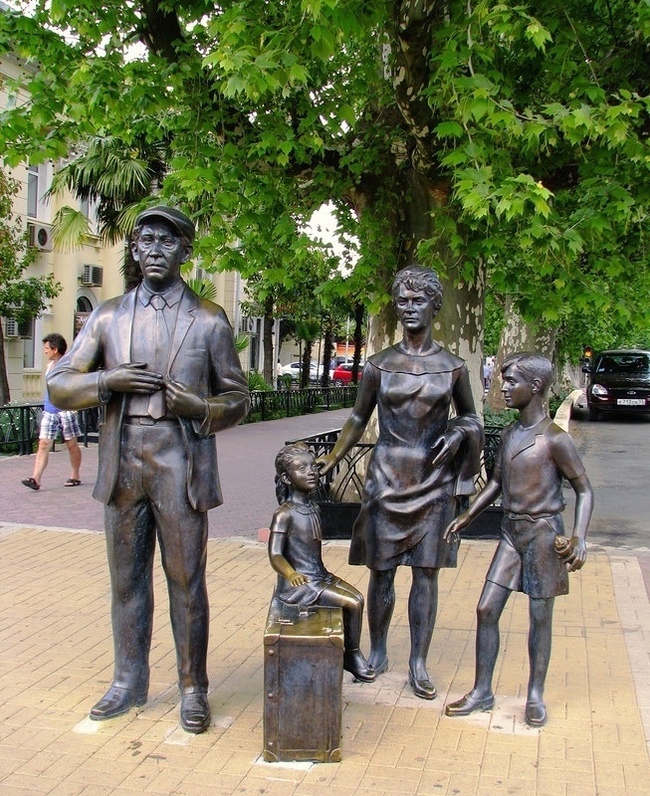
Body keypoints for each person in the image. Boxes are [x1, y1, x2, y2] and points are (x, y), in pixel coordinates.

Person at [47, 206, 250, 733]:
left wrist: (200, 408)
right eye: (146, 241)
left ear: (186, 250)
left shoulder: (209, 319)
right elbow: (59, 386)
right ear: (135, 250)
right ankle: (128, 680)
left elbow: (239, 398)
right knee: (126, 581)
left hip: (179, 458)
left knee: (186, 579)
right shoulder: (109, 314)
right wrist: (108, 381)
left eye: (168, 241)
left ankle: (192, 686)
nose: (155, 249)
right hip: (125, 459)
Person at [317, 265, 483, 699]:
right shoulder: (379, 364)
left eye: (419, 301)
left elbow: (470, 418)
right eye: (403, 301)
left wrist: (460, 431)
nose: (410, 308)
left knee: (426, 574)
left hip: (434, 479)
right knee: (382, 571)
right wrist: (333, 457)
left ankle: (418, 661)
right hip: (387, 477)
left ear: (434, 306)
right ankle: (378, 651)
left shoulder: (452, 367)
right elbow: (358, 417)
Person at [444, 353, 593, 726]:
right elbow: (495, 483)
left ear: (536, 387)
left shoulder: (555, 440)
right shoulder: (510, 434)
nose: (503, 388)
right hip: (511, 534)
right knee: (486, 609)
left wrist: (579, 538)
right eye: (501, 380)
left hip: (544, 535)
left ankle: (535, 695)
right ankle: (482, 690)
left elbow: (584, 490)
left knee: (539, 616)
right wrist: (465, 516)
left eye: (511, 381)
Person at [269, 442, 375, 683]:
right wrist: (290, 574)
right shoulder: (284, 514)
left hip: (319, 577)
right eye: (302, 468)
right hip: (299, 587)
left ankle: (350, 652)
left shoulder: (314, 507)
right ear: (286, 478)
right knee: (353, 603)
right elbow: (275, 554)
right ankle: (352, 655)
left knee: (358, 597)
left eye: (312, 466)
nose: (311, 472)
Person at [21, 333, 82, 491]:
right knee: (43, 444)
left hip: (65, 410)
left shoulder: (68, 365)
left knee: (71, 444)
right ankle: (36, 478)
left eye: (47, 348)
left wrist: (74, 406)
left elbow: (75, 385)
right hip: (50, 410)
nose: (45, 351)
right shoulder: (50, 366)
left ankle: (75, 475)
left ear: (55, 349)